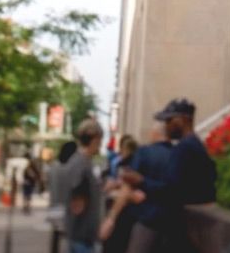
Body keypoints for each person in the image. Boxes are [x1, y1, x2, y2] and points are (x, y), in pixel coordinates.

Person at [121, 98, 216, 250]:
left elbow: (172, 191)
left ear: (183, 119)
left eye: (170, 120)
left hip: (182, 231)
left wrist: (141, 181)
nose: (167, 125)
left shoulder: (185, 148)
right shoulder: (194, 145)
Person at [100, 123, 173, 253]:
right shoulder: (177, 155)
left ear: (155, 134)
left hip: (145, 221)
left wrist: (111, 218)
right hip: (171, 224)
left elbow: (128, 185)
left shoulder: (145, 153)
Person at [61, 119, 103, 253]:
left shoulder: (82, 162)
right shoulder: (81, 163)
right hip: (82, 235)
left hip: (81, 234)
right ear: (95, 139)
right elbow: (77, 200)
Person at [47, 141, 78, 253]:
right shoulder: (71, 168)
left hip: (54, 206)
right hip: (67, 208)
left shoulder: (54, 166)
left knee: (56, 237)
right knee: (70, 239)